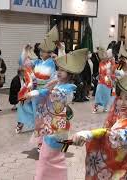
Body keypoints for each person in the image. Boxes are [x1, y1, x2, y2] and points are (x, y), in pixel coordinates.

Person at [70, 63, 127, 179]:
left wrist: (91, 135)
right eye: (120, 98)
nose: (122, 103)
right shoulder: (126, 116)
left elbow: (118, 136)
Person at [30, 49, 88, 180]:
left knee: (51, 158)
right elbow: (45, 93)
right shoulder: (57, 83)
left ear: (70, 74)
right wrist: (41, 91)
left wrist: (48, 89)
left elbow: (57, 95)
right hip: (49, 123)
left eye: (63, 70)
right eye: (58, 69)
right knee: (47, 157)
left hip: (58, 127)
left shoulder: (70, 87)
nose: (59, 72)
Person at [93, 48, 116, 113]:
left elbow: (113, 72)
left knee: (107, 95)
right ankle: (95, 107)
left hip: (108, 81)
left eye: (105, 57)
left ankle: (105, 107)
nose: (103, 59)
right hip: (101, 81)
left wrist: (112, 64)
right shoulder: (101, 63)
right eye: (102, 58)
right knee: (98, 93)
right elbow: (100, 71)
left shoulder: (111, 63)